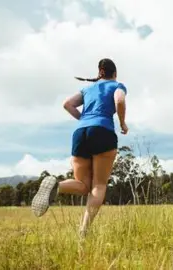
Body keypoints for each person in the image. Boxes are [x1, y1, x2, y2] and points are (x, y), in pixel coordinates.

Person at [31, 58, 128, 237]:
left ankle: (56, 186)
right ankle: (83, 231)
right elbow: (120, 101)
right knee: (98, 185)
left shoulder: (87, 89)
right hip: (103, 131)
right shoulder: (117, 85)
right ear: (114, 74)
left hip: (79, 132)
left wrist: (84, 120)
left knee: (83, 186)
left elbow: (67, 104)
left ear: (100, 73)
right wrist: (122, 123)